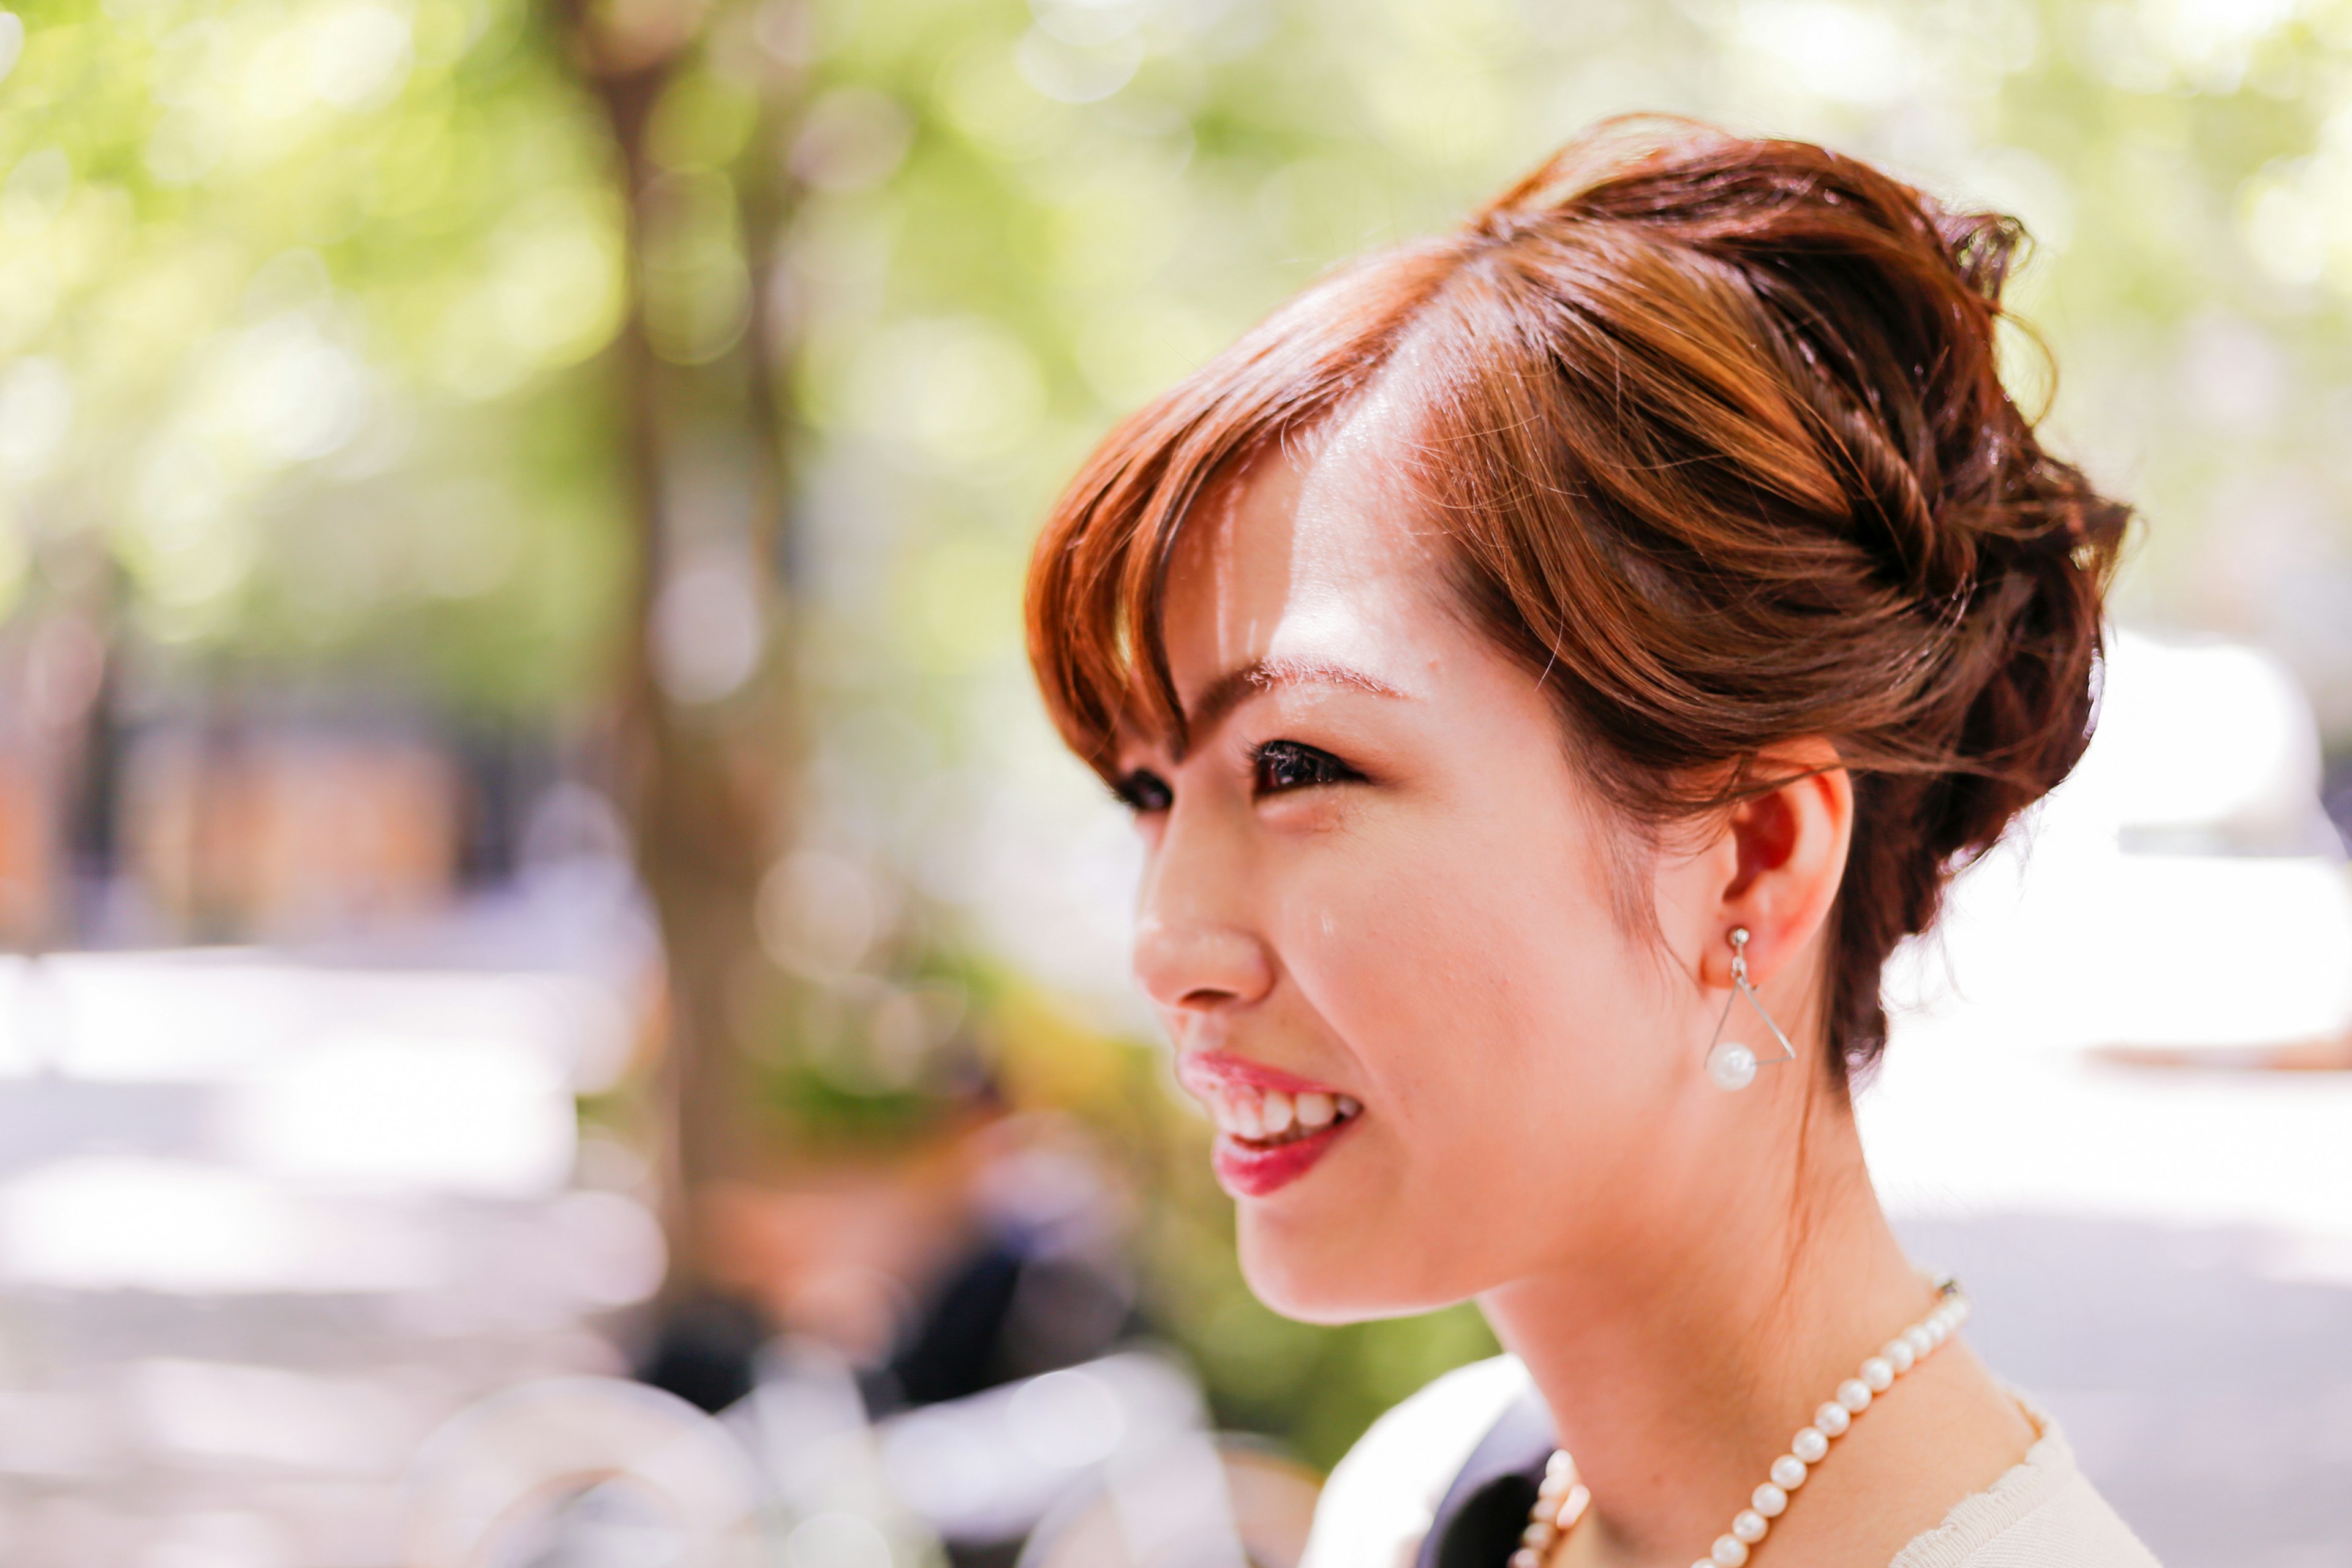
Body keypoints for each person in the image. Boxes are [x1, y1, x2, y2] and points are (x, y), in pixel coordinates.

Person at [1020, 118, 2160, 1568]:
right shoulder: (1427, 1495)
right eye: (1148, 792)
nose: (1166, 943)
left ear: (1752, 856)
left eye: (1298, 763)